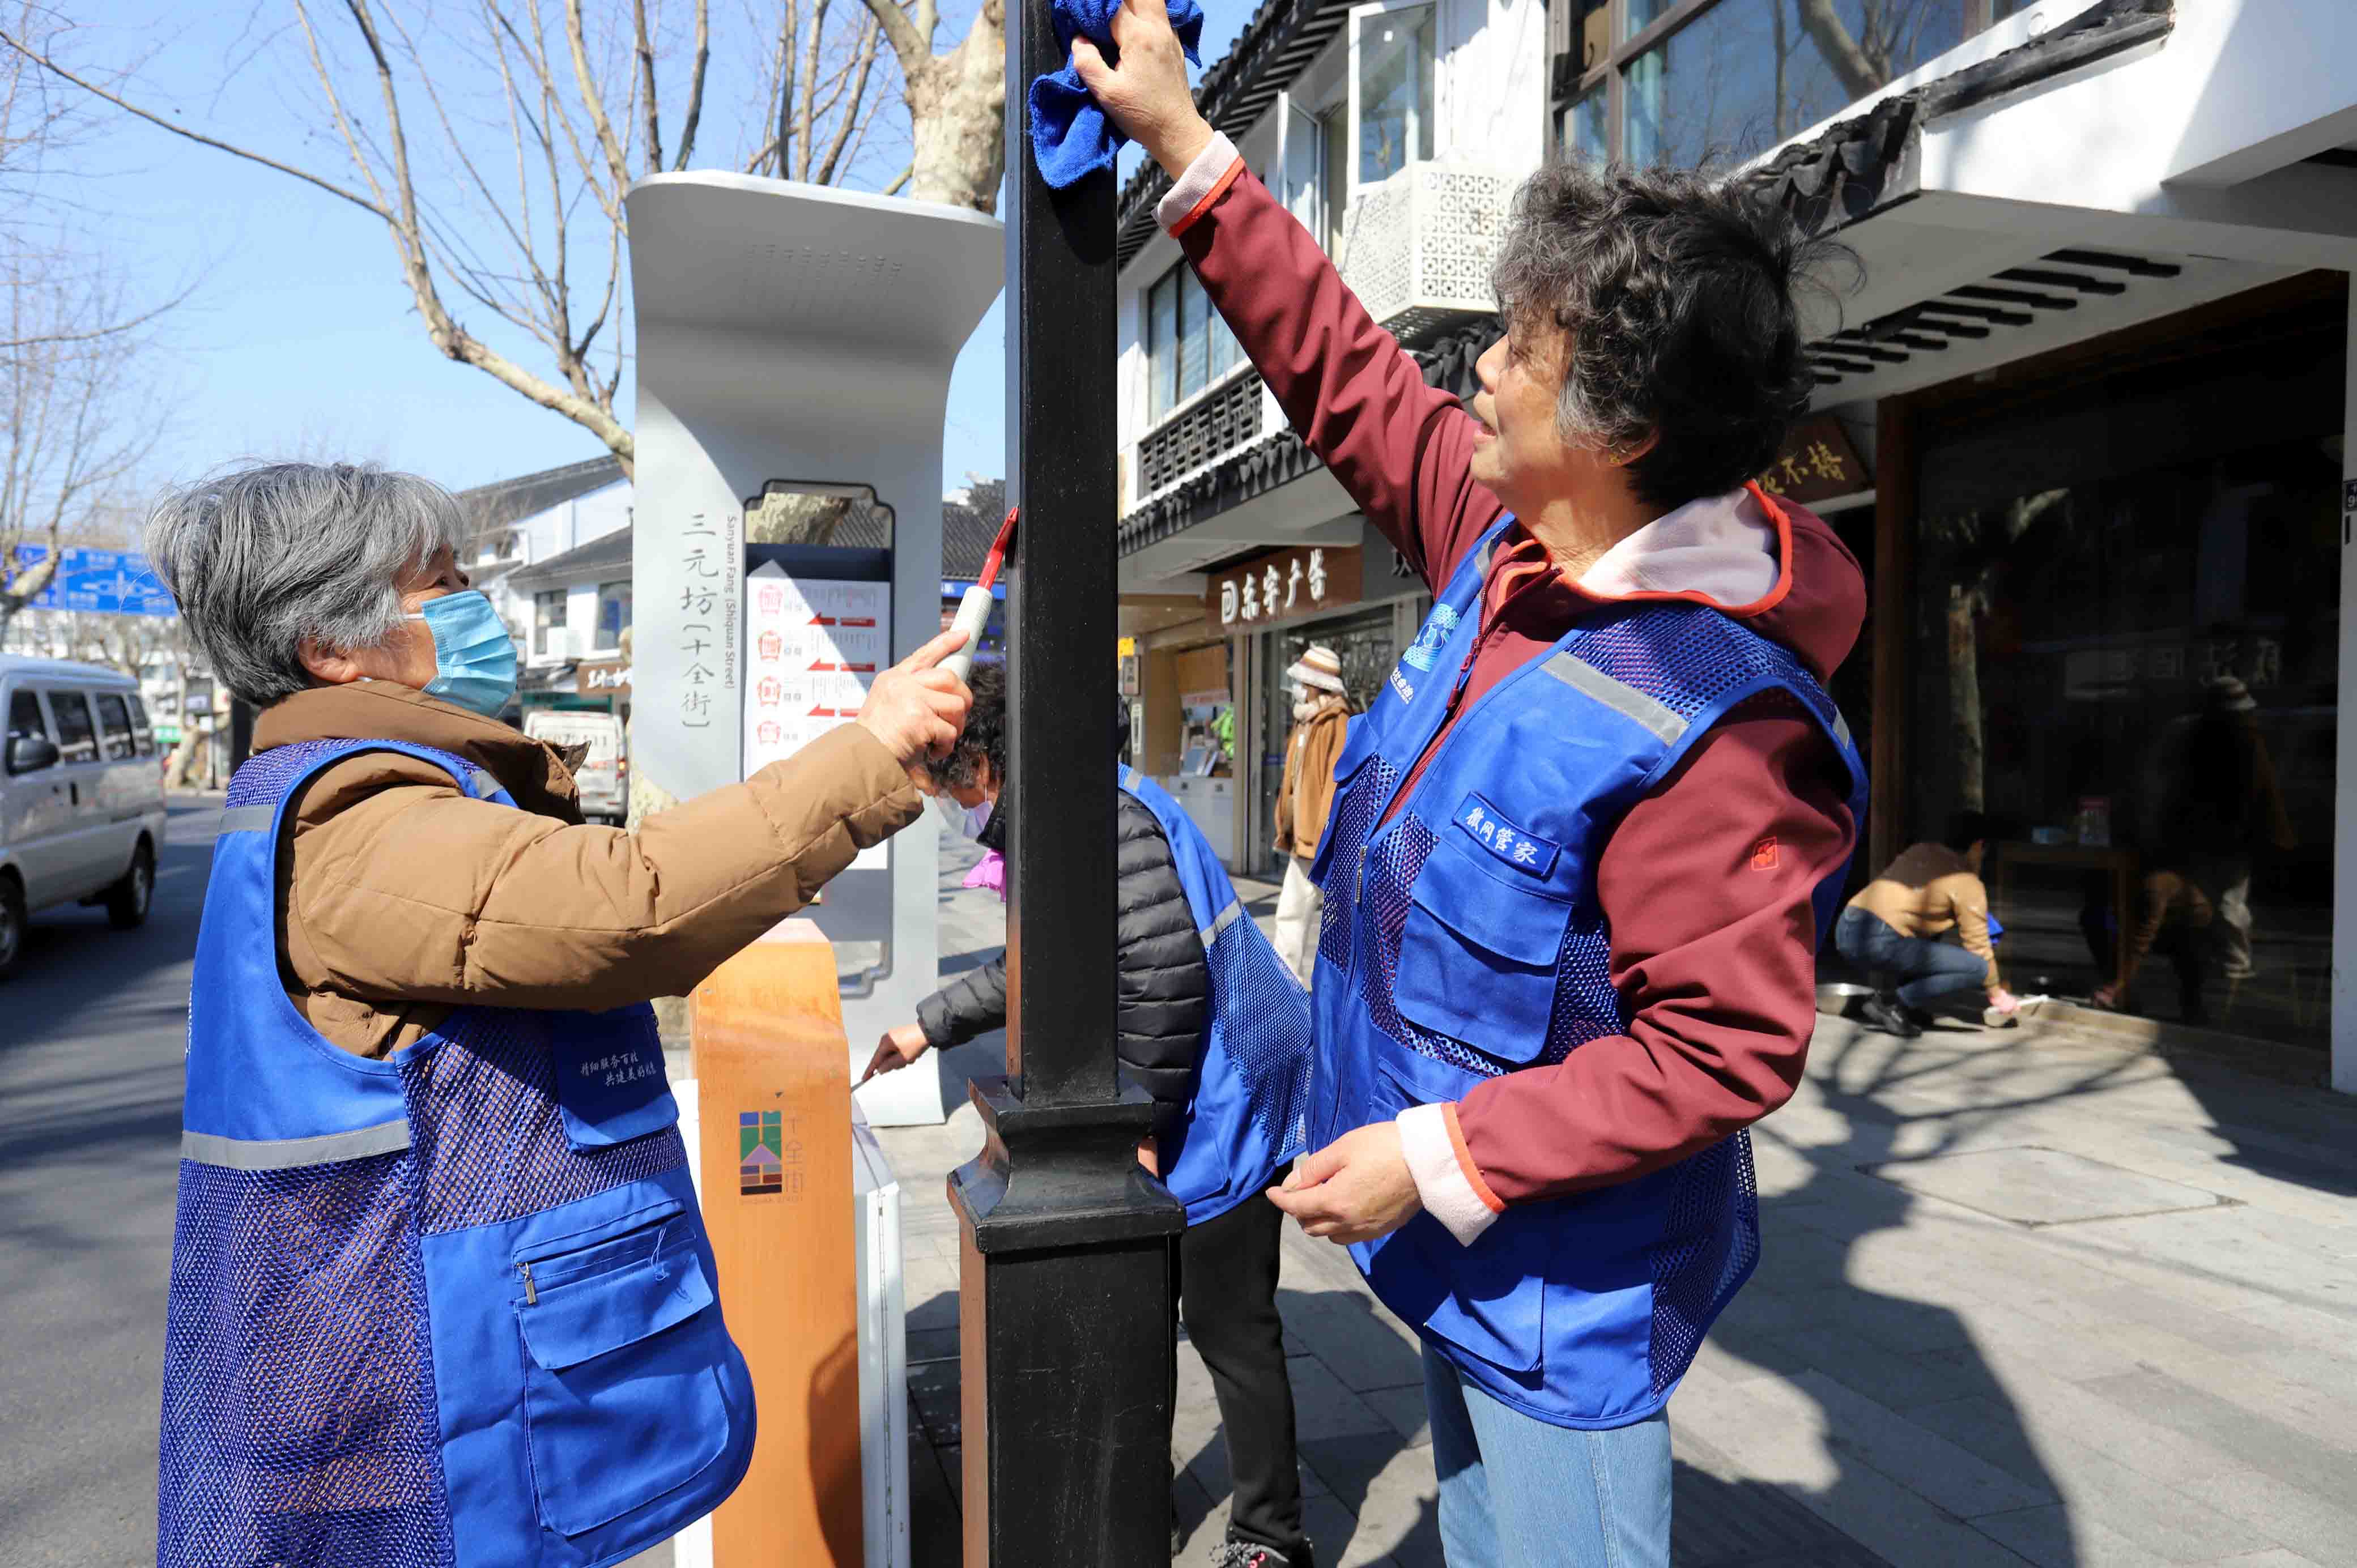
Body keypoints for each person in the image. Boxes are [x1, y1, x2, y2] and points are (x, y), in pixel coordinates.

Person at [1075, 11, 1868, 1564]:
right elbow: (1352, 381)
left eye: (1518, 348)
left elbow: (1724, 1047)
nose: (1479, 369)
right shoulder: (1509, 551)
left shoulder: (1719, 721)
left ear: (1619, 428)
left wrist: (1438, 1158)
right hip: (1448, 1253)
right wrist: (1188, 151)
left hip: (1560, 1302)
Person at [147, 461, 970, 1568]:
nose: (472, 607)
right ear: (331, 647)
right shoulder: (362, 821)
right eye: (439, 583)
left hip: (403, 1376)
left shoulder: (359, 797)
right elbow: (626, 907)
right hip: (420, 1410)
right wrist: (869, 754)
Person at [865, 667, 1316, 1568]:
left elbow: (1162, 976)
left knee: (1234, 1335)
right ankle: (1141, 1507)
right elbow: (1052, 965)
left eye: (948, 782)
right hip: (1178, 1110)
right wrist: (929, 1024)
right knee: (1142, 1326)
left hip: (1218, 1115)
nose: (948, 804)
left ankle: (1270, 1537)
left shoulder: (1100, 822)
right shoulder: (1070, 812)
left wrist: (1141, 1130)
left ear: (987, 763)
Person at [1836, 812, 2022, 1037]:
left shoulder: (1920, 850)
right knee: (1977, 968)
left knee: (1931, 931)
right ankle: (1891, 1003)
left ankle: (1909, 1008)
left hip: (1847, 926)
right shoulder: (1967, 882)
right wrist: (1996, 994)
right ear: (1978, 846)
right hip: (1879, 939)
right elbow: (1980, 949)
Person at [1270, 643, 1351, 988]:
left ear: (1320, 683)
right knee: (1294, 912)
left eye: (1306, 682)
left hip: (1319, 839)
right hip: (1303, 836)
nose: (1300, 688)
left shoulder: (1337, 722)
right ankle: (1286, 982)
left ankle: (1292, 986)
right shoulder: (1306, 720)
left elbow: (1335, 783)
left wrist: (1322, 836)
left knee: (1310, 914)